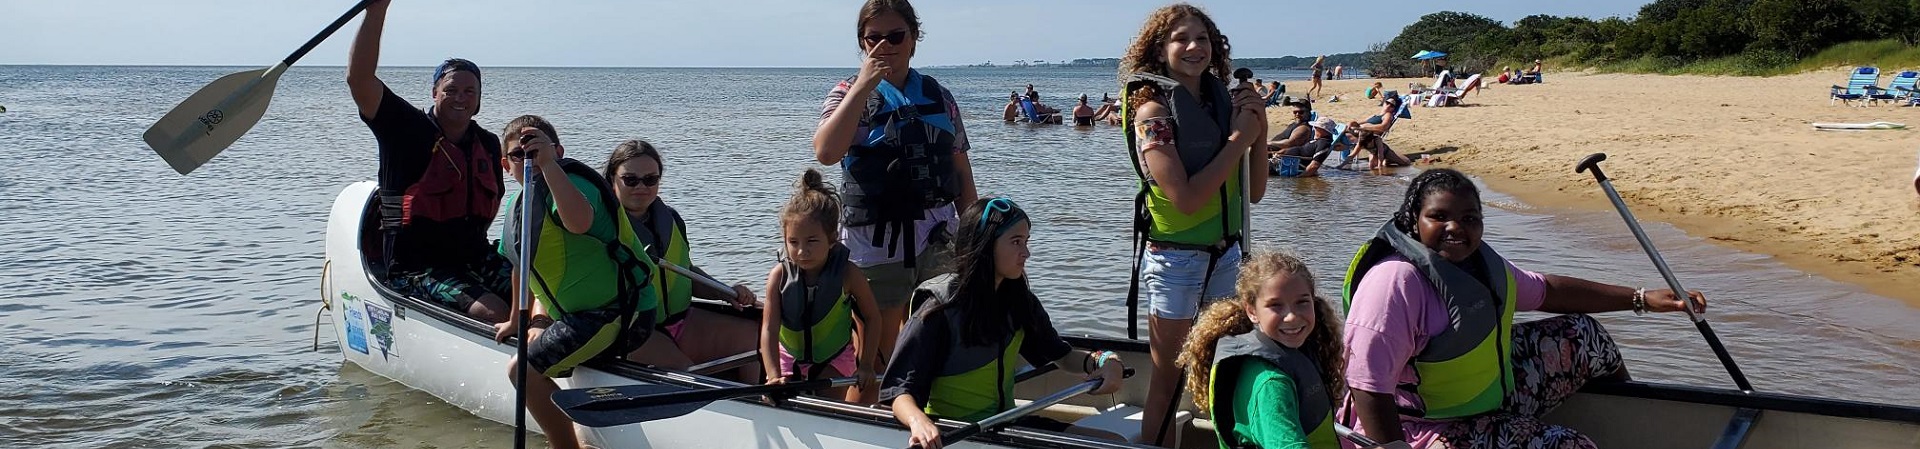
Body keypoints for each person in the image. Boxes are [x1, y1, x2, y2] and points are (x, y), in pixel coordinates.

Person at [1342, 169, 1708, 449]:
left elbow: (1548, 290)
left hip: (1490, 398)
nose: (1456, 228)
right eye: (1439, 217)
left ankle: (1631, 426)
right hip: (1422, 427)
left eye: (1470, 218)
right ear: (1413, 221)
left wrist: (1640, 298)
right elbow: (1367, 386)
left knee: (1584, 335)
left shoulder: (1480, 265)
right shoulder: (1394, 283)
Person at [1119, 4, 1269, 446]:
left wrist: (1258, 128)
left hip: (1228, 256)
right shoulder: (1151, 112)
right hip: (1175, 261)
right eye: (1181, 39)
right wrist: (1239, 137)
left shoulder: (1221, 101)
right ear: (1159, 48)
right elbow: (1184, 201)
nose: (1193, 47)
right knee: (1169, 377)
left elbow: (1254, 191)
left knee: (1227, 366)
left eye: (1202, 39)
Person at [811, 0, 979, 375]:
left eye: (896, 35)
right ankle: (862, 417)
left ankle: (914, 416)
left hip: (938, 238)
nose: (885, 44)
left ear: (914, 40)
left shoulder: (939, 97)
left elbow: (962, 173)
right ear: (862, 43)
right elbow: (825, 151)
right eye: (873, 38)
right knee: (876, 355)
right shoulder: (846, 93)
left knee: (930, 344)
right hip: (875, 244)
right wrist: (864, 85)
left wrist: (974, 237)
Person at [883, 198, 1127, 449]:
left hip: (1006, 423)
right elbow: (898, 391)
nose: (1026, 253)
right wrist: (918, 421)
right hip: (953, 432)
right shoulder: (936, 312)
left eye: (1026, 241)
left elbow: (1061, 355)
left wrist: (1105, 360)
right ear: (985, 246)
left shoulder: (1020, 302)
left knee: (1115, 444)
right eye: (1016, 242)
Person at [492, 116, 660, 449]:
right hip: (577, 316)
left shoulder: (572, 185)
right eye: (518, 155)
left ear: (558, 151)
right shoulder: (515, 207)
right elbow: (519, 267)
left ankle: (565, 446)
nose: (530, 161)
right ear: (505, 164)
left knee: (521, 370)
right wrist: (518, 319)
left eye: (538, 150)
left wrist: (549, 165)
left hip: (620, 312)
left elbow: (579, 222)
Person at [346, 0, 510, 323]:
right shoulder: (403, 129)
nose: (460, 98)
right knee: (494, 311)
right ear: (435, 92)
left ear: (478, 100)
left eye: (469, 91)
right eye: (451, 90)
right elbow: (359, 80)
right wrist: (376, 10)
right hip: (415, 268)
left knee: (540, 295)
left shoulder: (488, 144)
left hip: (475, 259)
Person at [602, 140, 762, 382]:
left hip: (680, 320)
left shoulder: (671, 219)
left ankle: (760, 405)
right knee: (688, 375)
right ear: (612, 179)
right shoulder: (600, 227)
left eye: (650, 179)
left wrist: (727, 292)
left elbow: (684, 272)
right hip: (630, 329)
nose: (641, 187)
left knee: (753, 337)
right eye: (630, 180)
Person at [1178, 249, 1349, 449]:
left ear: (1314, 301)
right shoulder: (1271, 384)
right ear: (1252, 311)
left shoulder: (1292, 353)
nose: (1292, 316)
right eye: (1275, 305)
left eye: (1302, 302)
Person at [762, 169, 883, 402]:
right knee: (781, 399)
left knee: (826, 403)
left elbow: (873, 317)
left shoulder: (849, 274)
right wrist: (772, 376)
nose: (801, 251)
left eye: (812, 241)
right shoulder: (779, 276)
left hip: (834, 358)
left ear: (832, 238)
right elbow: (768, 329)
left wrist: (867, 364)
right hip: (790, 358)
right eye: (793, 242)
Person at [1348, 92, 1411, 171]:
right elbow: (1359, 123)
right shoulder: (1374, 116)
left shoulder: (1388, 115)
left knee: (1406, 162)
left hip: (1370, 139)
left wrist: (1366, 128)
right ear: (1383, 102)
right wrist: (1352, 123)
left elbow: (1383, 127)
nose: (1389, 106)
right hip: (1361, 134)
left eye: (1392, 106)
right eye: (1387, 103)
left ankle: (1386, 159)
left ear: (1393, 109)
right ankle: (1345, 163)